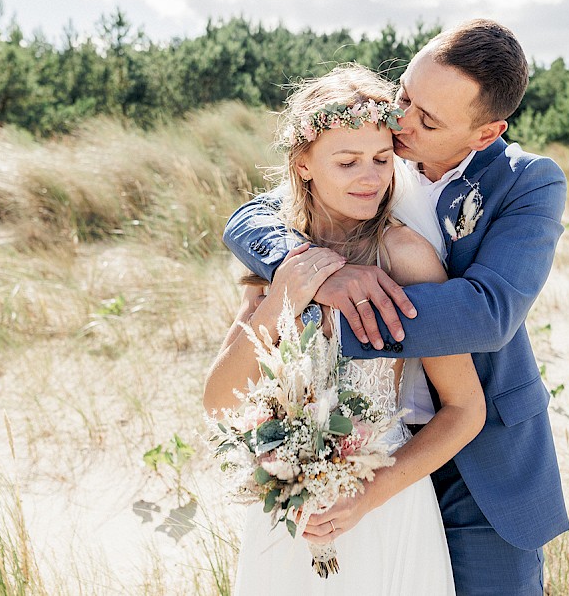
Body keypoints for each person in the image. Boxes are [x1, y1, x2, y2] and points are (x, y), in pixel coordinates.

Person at [222, 20, 569, 594]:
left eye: (428, 120)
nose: (402, 120)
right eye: (406, 95)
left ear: (485, 134)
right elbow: (252, 217)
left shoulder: (526, 183)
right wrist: (321, 272)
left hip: (477, 456)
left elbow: (488, 313)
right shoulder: (374, 152)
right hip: (346, 447)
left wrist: (322, 321)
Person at [203, 65, 487, 595]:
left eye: (382, 159)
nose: (371, 177)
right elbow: (221, 401)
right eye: (348, 160)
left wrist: (366, 497)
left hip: (383, 500)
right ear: (304, 164)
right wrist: (286, 295)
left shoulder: (406, 256)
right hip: (287, 504)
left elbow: (465, 410)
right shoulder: (276, 256)